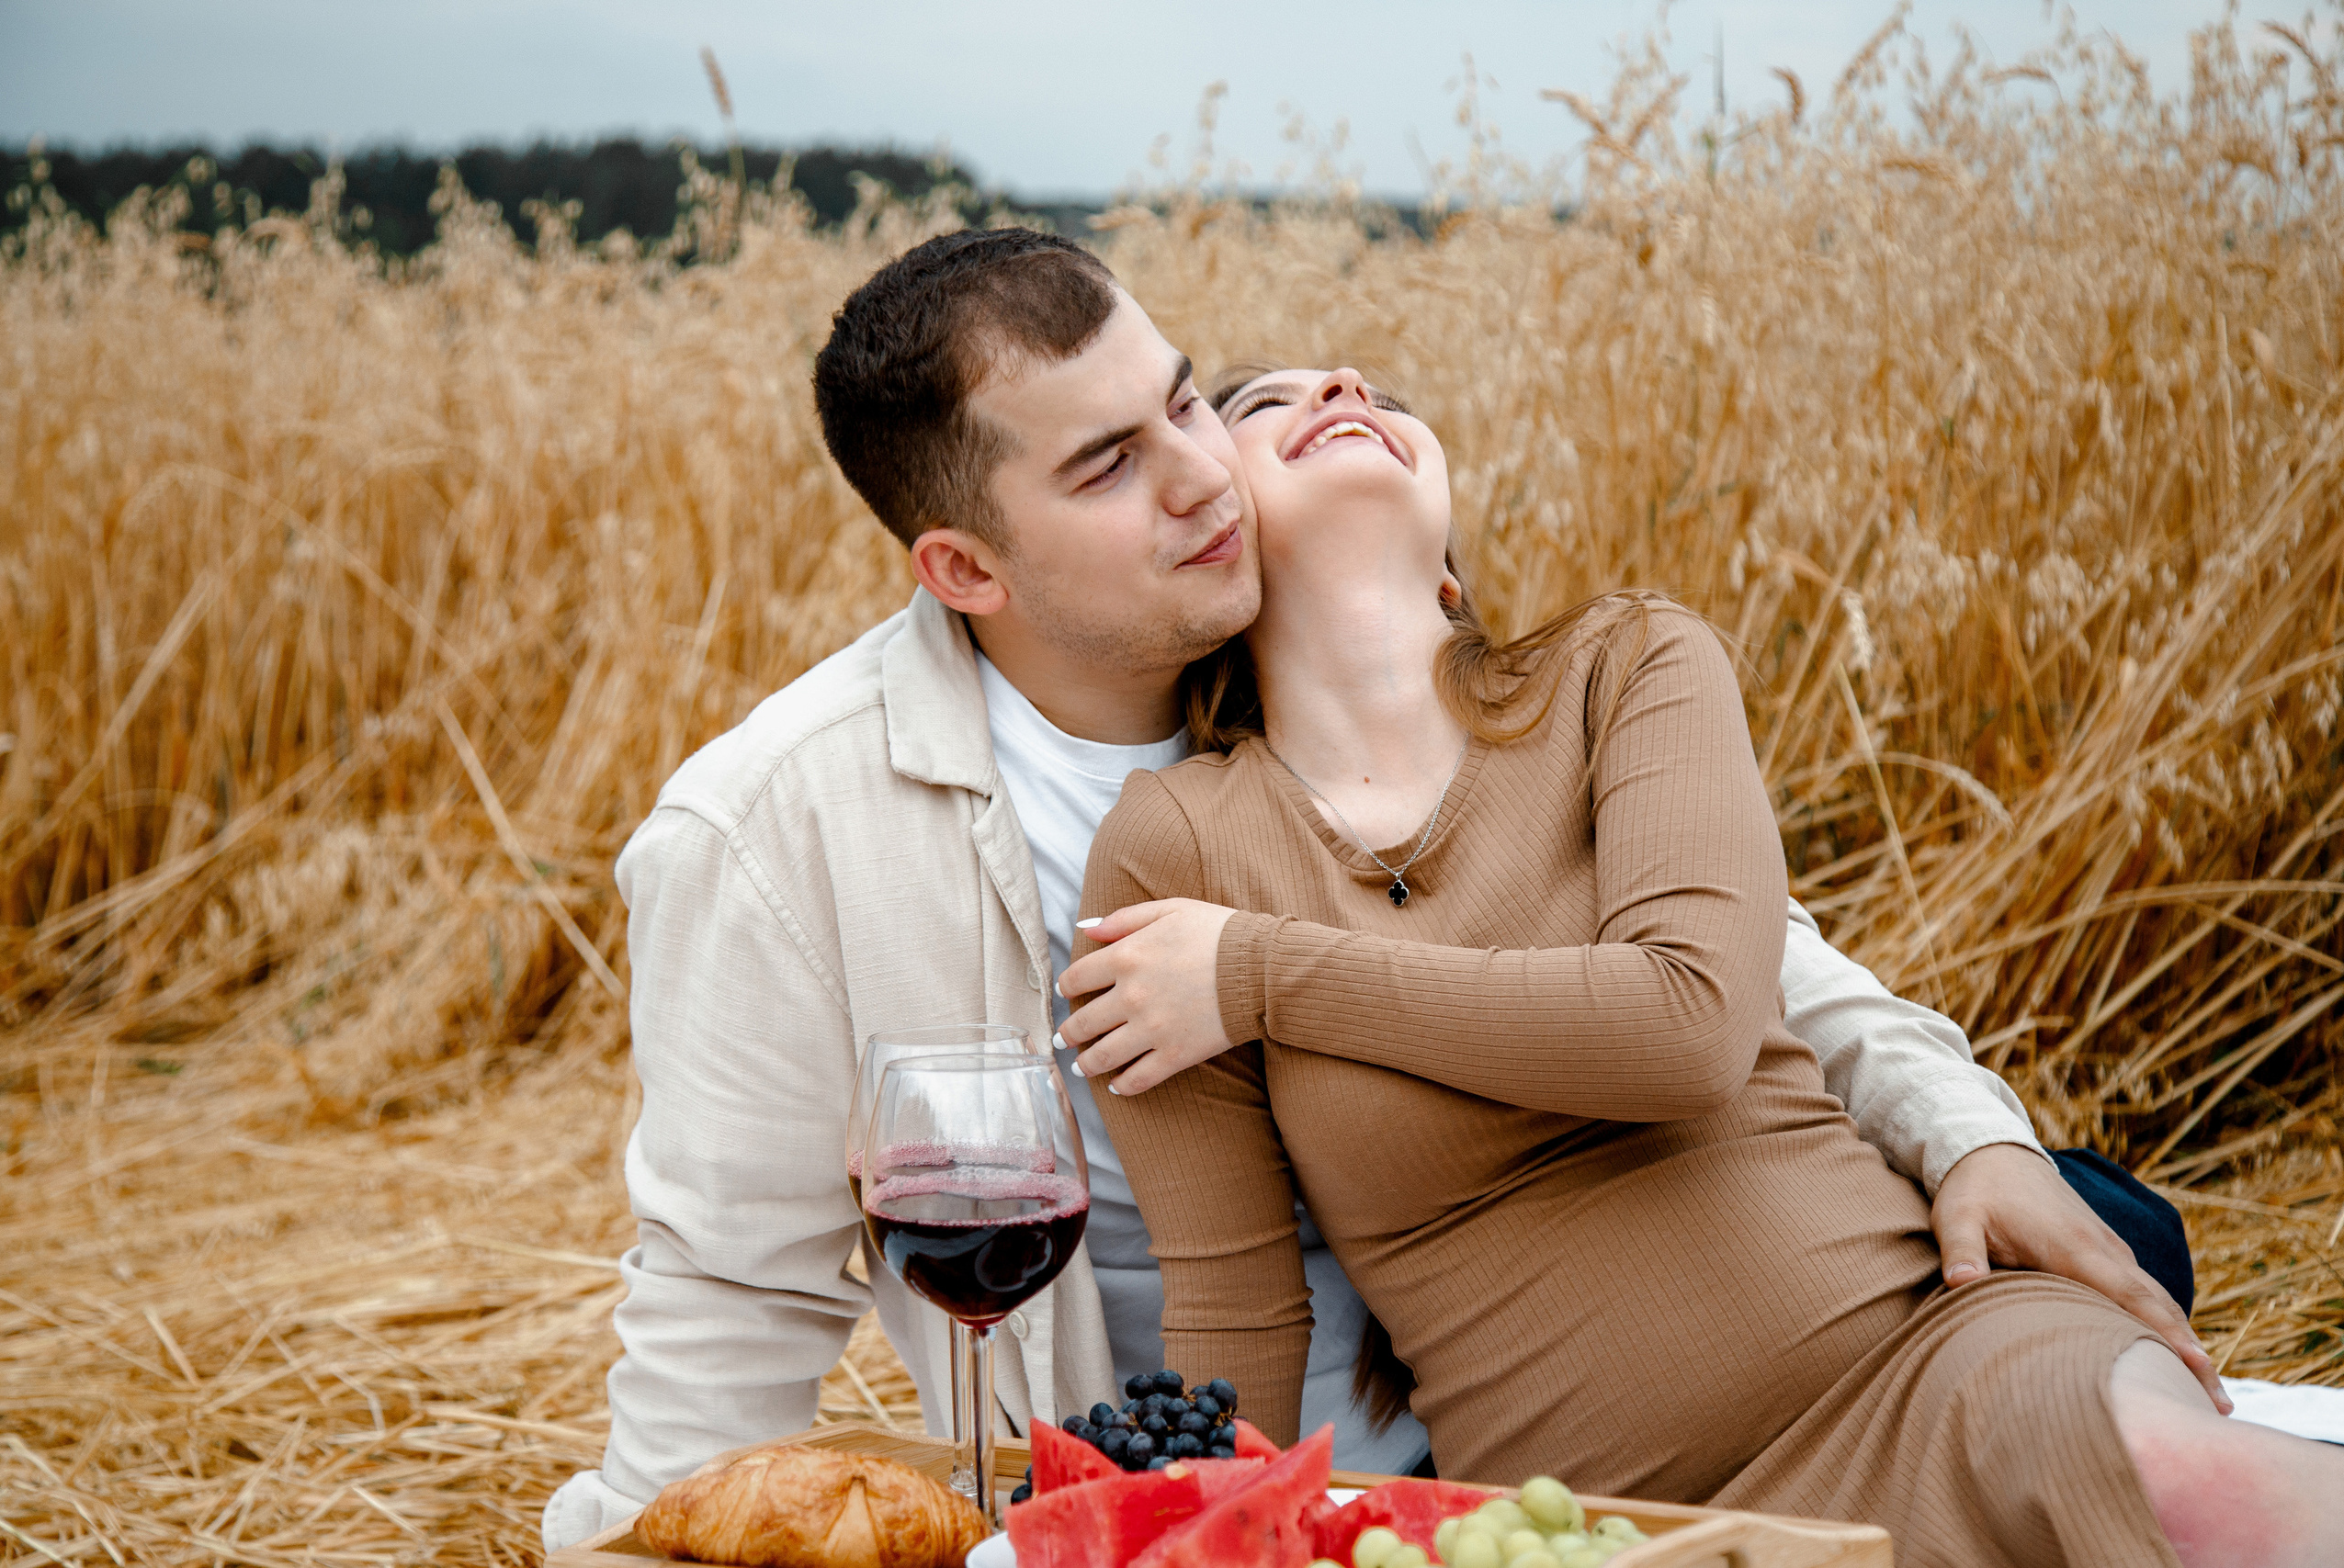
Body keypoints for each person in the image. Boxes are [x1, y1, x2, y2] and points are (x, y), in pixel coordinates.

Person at [538, 230, 2213, 1551]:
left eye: (1192, 403)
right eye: (1108, 465)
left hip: (1678, 1264)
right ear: (966, 569)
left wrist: (1967, 1125)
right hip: (1350, 1437)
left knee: (2112, 1258)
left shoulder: (1308, 653)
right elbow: (727, 1287)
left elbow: (1745, 966)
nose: (1200, 477)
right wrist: (638, 1545)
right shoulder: (775, 834)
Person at [1058, 362, 2344, 1567]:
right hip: (1599, 1517)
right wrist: (1232, 1533)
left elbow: (1686, 1027)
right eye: (1267, 400)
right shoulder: (1174, 852)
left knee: (2201, 1489)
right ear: (1212, 546)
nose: (1339, 388)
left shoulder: (1626, 667)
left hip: (1926, 1359)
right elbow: (1238, 1305)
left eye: (1372, 390)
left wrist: (1262, 973)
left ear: (1451, 569)